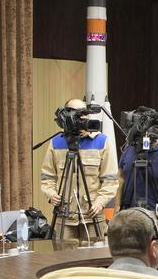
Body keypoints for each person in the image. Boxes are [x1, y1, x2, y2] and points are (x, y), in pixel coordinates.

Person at [41, 98, 119, 241]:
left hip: (93, 216)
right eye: (77, 114)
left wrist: (100, 202)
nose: (83, 118)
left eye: (85, 114)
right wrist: (51, 194)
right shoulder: (56, 142)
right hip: (64, 216)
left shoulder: (101, 141)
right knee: (64, 258)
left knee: (94, 259)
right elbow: (47, 178)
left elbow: (110, 180)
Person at [118, 116, 158, 235]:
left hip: (156, 212)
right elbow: (121, 177)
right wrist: (116, 208)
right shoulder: (130, 147)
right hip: (129, 212)